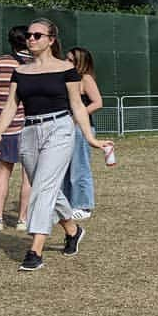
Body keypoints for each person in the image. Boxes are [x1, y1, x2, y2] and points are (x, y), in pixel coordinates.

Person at [0, 19, 113, 271]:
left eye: (37, 35)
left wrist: (90, 138)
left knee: (43, 189)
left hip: (59, 128)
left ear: (51, 39)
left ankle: (35, 250)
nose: (31, 39)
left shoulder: (67, 69)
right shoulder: (20, 71)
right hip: (29, 130)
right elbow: (12, 105)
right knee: (46, 187)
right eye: (28, 35)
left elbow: (77, 105)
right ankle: (72, 230)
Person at [0, 25, 33, 231]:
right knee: (28, 174)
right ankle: (23, 219)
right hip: (29, 124)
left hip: (6, 126)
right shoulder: (35, 63)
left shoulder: (1, 61)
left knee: (3, 171)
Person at [61, 47, 103, 220]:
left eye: (71, 60)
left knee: (80, 167)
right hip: (65, 128)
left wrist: (78, 116)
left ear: (80, 63)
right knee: (65, 169)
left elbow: (98, 102)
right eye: (66, 58)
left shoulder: (85, 79)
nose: (66, 62)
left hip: (80, 128)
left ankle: (84, 205)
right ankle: (68, 204)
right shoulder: (66, 78)